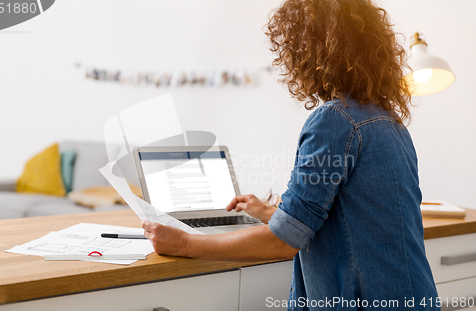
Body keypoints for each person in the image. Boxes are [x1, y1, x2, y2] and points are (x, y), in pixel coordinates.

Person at [142, 0, 439, 310]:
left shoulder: (335, 121)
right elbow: (353, 219)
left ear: (309, 50)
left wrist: (183, 242)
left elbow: (282, 243)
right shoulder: (390, 122)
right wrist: (274, 214)